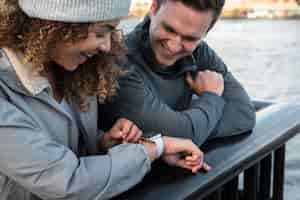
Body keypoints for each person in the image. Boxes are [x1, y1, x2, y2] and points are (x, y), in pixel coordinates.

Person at [0, 0, 210, 199]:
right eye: (101, 33)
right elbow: (68, 182)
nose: (107, 47)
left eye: (111, 32)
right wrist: (153, 149)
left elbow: (59, 149)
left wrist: (102, 143)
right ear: (56, 25)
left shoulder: (75, 69)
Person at [99, 0, 256, 146]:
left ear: (205, 33)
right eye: (169, 29)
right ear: (153, 7)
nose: (174, 46)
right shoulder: (117, 62)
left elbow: (244, 114)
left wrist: (189, 125)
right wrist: (211, 98)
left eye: (190, 38)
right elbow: (179, 134)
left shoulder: (199, 52)